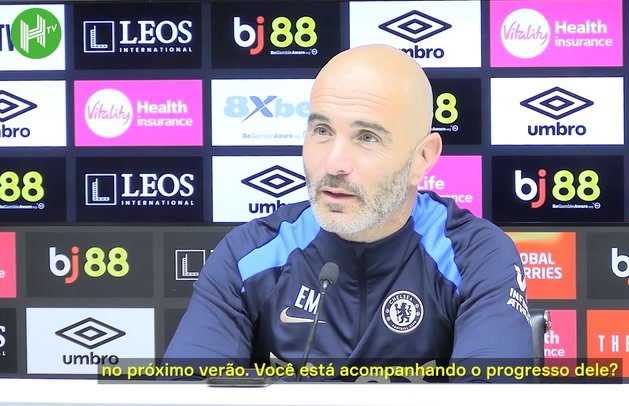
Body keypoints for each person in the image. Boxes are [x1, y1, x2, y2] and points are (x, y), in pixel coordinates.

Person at [164, 44, 533, 382]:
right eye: (322, 131)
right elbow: (184, 393)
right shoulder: (247, 255)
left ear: (423, 157)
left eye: (367, 137)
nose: (334, 163)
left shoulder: (475, 256)